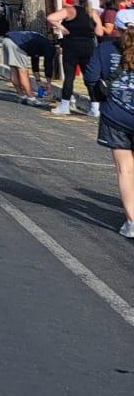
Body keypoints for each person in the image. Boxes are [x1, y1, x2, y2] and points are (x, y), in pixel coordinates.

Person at [83, 22, 134, 237]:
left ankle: (132, 221)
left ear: (118, 29)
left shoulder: (105, 49)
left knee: (125, 169)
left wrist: (98, 98)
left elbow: (90, 77)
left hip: (116, 116)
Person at [48, 0, 99, 116]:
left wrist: (62, 28)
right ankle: (95, 107)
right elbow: (99, 32)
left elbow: (51, 18)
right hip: (88, 46)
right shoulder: (92, 12)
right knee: (89, 77)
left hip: (72, 45)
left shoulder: (70, 10)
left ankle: (65, 105)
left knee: (69, 76)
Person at [0, 28, 53, 104]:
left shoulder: (38, 41)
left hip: (6, 40)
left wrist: (38, 81)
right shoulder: (49, 46)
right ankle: (31, 98)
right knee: (23, 71)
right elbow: (48, 64)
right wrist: (49, 84)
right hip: (17, 44)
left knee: (13, 69)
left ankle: (22, 96)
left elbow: (35, 62)